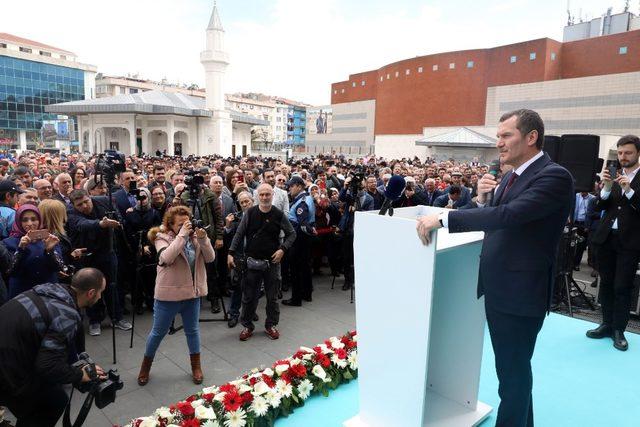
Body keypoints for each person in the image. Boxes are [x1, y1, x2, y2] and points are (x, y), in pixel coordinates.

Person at [416, 109, 573, 427]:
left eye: (506, 136)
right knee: (513, 371)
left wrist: (445, 218)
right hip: (500, 287)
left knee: (512, 376)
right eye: (498, 136)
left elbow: (511, 216)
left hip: (521, 293)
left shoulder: (554, 176)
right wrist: (481, 198)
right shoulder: (510, 176)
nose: (498, 143)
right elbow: (498, 218)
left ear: (531, 138)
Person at [0, 268, 108, 427]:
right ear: (91, 293)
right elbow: (47, 366)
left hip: (12, 351)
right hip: (7, 369)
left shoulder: (51, 289)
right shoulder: (67, 314)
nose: (100, 297)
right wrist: (80, 375)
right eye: (100, 292)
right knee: (55, 402)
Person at [137, 205, 215, 386]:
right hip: (168, 296)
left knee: (193, 331)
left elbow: (210, 258)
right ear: (170, 225)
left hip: (191, 294)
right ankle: (145, 367)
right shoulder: (160, 238)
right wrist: (182, 236)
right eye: (180, 224)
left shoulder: (195, 237)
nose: (185, 227)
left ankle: (196, 367)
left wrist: (203, 240)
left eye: (186, 222)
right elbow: (166, 258)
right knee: (158, 332)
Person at [587, 135, 640, 351]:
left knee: (622, 286)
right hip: (607, 238)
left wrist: (629, 191)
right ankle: (606, 324)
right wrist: (607, 187)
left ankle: (619, 330)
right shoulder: (614, 175)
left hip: (630, 241)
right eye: (619, 153)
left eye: (627, 152)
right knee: (606, 284)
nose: (623, 157)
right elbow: (600, 205)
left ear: (637, 153)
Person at [228, 184, 295, 340]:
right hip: (251, 261)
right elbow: (239, 233)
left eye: (267, 194)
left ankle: (271, 325)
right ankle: (247, 325)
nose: (264, 197)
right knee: (249, 297)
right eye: (262, 194)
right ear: (257, 196)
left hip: (272, 262)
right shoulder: (250, 213)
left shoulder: (278, 214)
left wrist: (282, 249)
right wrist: (230, 253)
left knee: (272, 297)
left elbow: (292, 234)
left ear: (272, 195)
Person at [66, 190, 132, 336]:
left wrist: (117, 223)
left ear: (90, 197)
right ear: (74, 205)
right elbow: (81, 224)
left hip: (107, 250)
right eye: (80, 204)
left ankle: (117, 317)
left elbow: (118, 217)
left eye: (86, 201)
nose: (84, 206)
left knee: (112, 285)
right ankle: (94, 320)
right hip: (86, 254)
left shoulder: (103, 201)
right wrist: (101, 223)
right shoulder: (70, 211)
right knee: (90, 287)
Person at [2, 205, 63, 299]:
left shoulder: (49, 239)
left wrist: (49, 250)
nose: (30, 223)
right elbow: (10, 271)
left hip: (48, 293)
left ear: (39, 220)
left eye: (34, 219)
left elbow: (59, 267)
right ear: (18, 221)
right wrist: (21, 249)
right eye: (25, 220)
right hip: (22, 295)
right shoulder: (9, 242)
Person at [125, 187, 162, 314]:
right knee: (136, 278)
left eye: (144, 197)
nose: (142, 200)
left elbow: (157, 231)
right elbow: (128, 233)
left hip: (151, 250)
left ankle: (152, 301)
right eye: (139, 197)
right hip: (136, 250)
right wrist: (139, 247)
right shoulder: (130, 213)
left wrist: (147, 245)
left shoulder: (154, 213)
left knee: (151, 278)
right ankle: (138, 303)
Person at [283, 176, 317, 305]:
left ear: (298, 186)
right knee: (305, 267)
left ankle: (296, 299)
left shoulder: (301, 202)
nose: (289, 189)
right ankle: (307, 294)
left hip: (298, 240)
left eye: (291, 186)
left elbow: (302, 224)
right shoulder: (306, 198)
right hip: (305, 240)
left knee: (296, 269)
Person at [224, 191, 254, 327]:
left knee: (253, 286)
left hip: (255, 257)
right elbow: (228, 237)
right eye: (242, 202)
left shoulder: (259, 215)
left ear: (252, 201)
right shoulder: (235, 218)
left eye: (247, 201)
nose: (245, 204)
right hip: (239, 257)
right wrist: (228, 226)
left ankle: (250, 312)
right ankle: (234, 313)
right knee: (237, 286)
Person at [572, 191, 596, 270]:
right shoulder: (575, 196)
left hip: (584, 225)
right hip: (574, 222)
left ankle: (576, 264)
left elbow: (591, 212)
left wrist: (587, 226)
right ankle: (569, 263)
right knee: (571, 244)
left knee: (581, 245)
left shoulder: (592, 198)